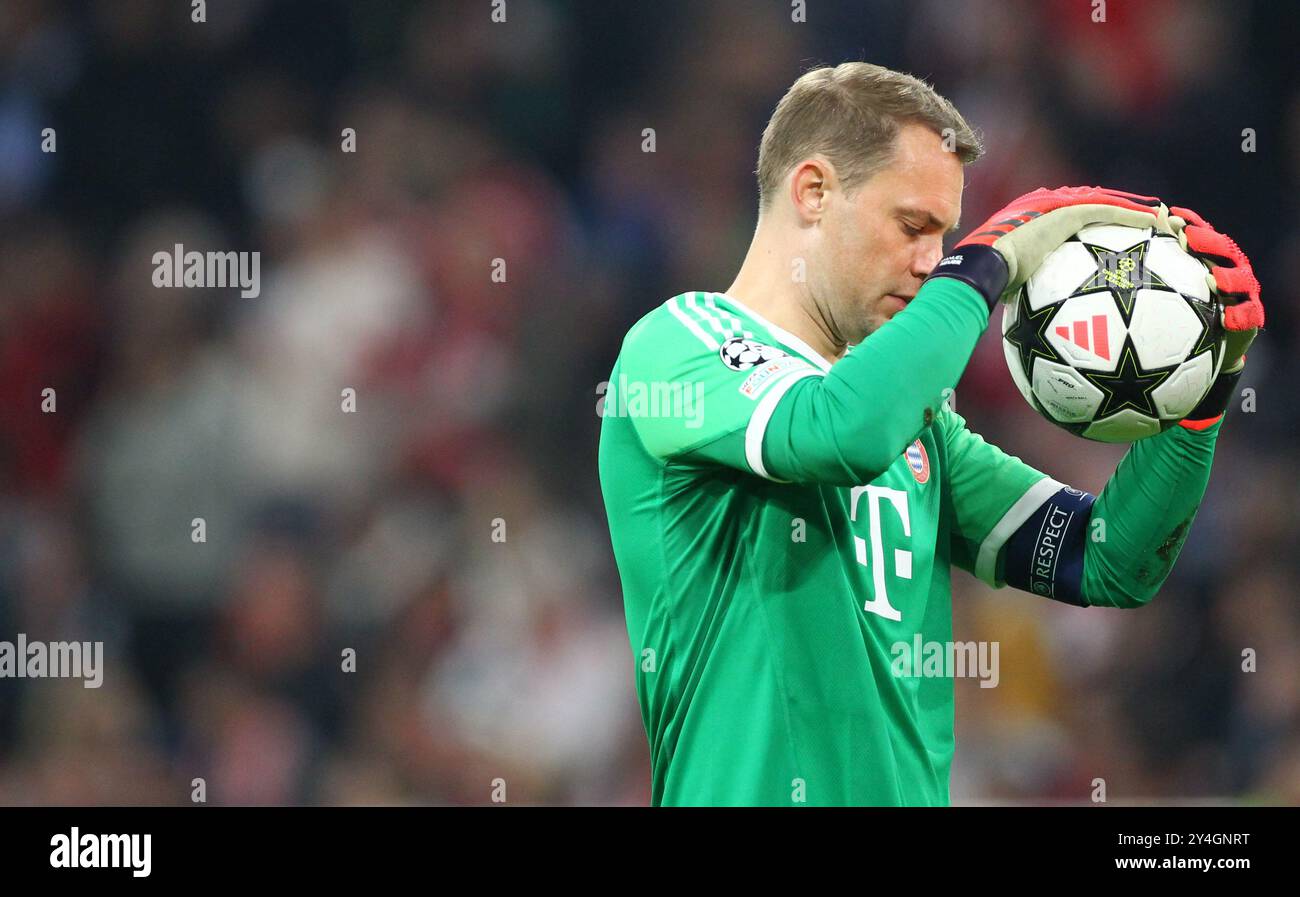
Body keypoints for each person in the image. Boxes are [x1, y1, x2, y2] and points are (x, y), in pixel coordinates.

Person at [597, 62, 1263, 806]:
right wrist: (990, 262)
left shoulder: (920, 431)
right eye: (913, 226)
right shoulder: (678, 345)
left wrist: (1198, 395)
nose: (930, 263)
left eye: (946, 236)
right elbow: (834, 432)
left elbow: (1108, 560)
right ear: (813, 192)